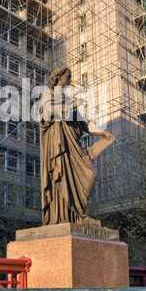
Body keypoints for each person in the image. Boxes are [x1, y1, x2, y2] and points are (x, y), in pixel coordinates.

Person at [39, 65, 116, 226]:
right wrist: (72, 106)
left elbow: (84, 126)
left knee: (90, 174)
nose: (71, 79)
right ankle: (67, 216)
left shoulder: (68, 100)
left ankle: (78, 214)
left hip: (73, 145)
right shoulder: (49, 94)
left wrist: (103, 133)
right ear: (59, 78)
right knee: (62, 177)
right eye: (68, 76)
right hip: (58, 144)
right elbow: (47, 112)